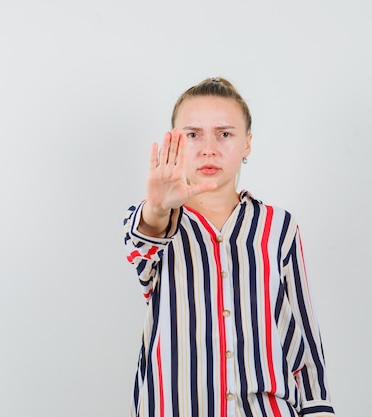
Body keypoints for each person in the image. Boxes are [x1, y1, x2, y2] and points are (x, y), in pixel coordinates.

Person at [123, 77, 334, 417]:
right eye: (193, 134)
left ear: (247, 143)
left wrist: (318, 409)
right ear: (174, 143)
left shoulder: (278, 227)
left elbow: (302, 337)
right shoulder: (155, 221)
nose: (209, 148)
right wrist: (158, 207)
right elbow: (141, 247)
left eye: (224, 134)